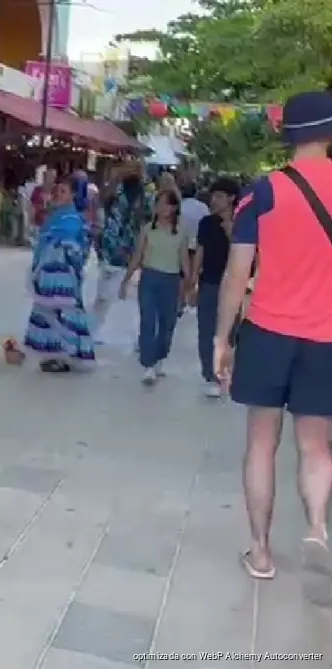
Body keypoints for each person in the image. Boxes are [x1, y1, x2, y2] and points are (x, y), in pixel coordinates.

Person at [215, 90, 332, 589]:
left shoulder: (263, 191)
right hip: (326, 337)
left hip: (267, 332)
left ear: (289, 137)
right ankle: (317, 527)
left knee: (262, 442)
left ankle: (261, 552)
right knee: (316, 444)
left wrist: (221, 338)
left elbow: (237, 273)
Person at [23, 178, 96, 373]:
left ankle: (66, 355)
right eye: (58, 191)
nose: (58, 195)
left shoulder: (74, 219)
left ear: (73, 194)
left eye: (63, 191)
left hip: (63, 274)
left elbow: (78, 248)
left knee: (64, 314)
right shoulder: (56, 216)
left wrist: (67, 254)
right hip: (47, 272)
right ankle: (52, 354)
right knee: (47, 312)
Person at [120, 189, 192, 384]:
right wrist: (126, 280)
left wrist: (189, 284)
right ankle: (148, 363)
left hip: (171, 280)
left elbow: (184, 258)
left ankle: (160, 355)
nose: (161, 208)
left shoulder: (181, 230)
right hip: (149, 278)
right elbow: (137, 256)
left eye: (166, 204)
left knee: (167, 323)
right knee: (148, 321)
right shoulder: (147, 229)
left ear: (174, 207)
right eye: (158, 203)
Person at [188, 177, 240, 398]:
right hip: (209, 283)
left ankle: (225, 372)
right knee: (206, 330)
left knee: (230, 333)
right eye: (213, 196)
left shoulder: (243, 223)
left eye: (219, 196)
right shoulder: (206, 223)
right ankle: (211, 375)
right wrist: (192, 282)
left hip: (234, 286)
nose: (214, 201)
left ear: (231, 198)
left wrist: (231, 232)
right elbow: (199, 252)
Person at [93, 164, 152, 342]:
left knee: (108, 295)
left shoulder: (141, 198)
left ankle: (96, 329)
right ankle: (97, 329)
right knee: (115, 295)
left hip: (118, 249)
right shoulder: (136, 197)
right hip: (119, 249)